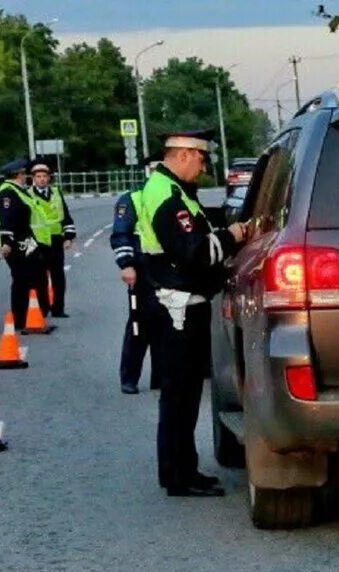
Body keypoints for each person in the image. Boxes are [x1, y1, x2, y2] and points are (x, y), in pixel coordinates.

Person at [137, 130, 254, 497]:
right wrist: (234, 235)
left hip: (180, 302)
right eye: (201, 160)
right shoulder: (168, 196)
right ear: (185, 154)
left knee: (184, 394)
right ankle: (177, 475)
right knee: (180, 394)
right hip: (178, 307)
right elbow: (197, 251)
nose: (203, 169)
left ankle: (183, 468)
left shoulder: (171, 191)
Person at [110, 160, 161, 394]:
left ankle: (161, 378)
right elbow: (121, 234)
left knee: (169, 323)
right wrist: (126, 265)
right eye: (154, 168)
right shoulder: (132, 198)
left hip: (168, 269)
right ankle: (129, 377)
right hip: (142, 267)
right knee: (139, 324)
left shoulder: (174, 195)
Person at [0, 157, 50, 332]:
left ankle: (35, 314)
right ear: (17, 175)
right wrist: (7, 242)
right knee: (22, 280)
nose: (26, 176)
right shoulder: (7, 194)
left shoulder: (19, 191)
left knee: (37, 275)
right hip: (17, 244)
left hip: (27, 242)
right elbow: (7, 219)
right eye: (24, 173)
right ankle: (20, 318)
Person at [29, 157, 76, 317]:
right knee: (38, 277)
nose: (42, 179)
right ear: (33, 179)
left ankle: (58, 308)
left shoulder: (56, 193)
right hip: (37, 242)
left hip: (56, 240)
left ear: (49, 178)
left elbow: (66, 216)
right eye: (38, 177)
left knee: (58, 276)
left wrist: (69, 236)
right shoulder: (28, 195)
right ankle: (42, 308)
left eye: (44, 176)